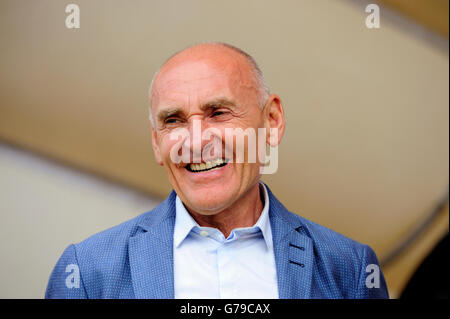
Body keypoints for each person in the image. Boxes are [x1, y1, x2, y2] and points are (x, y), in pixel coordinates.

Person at [45, 42, 389, 299]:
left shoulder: (349, 269)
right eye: (173, 120)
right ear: (156, 143)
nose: (195, 142)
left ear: (271, 121)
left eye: (219, 113)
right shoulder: (88, 271)